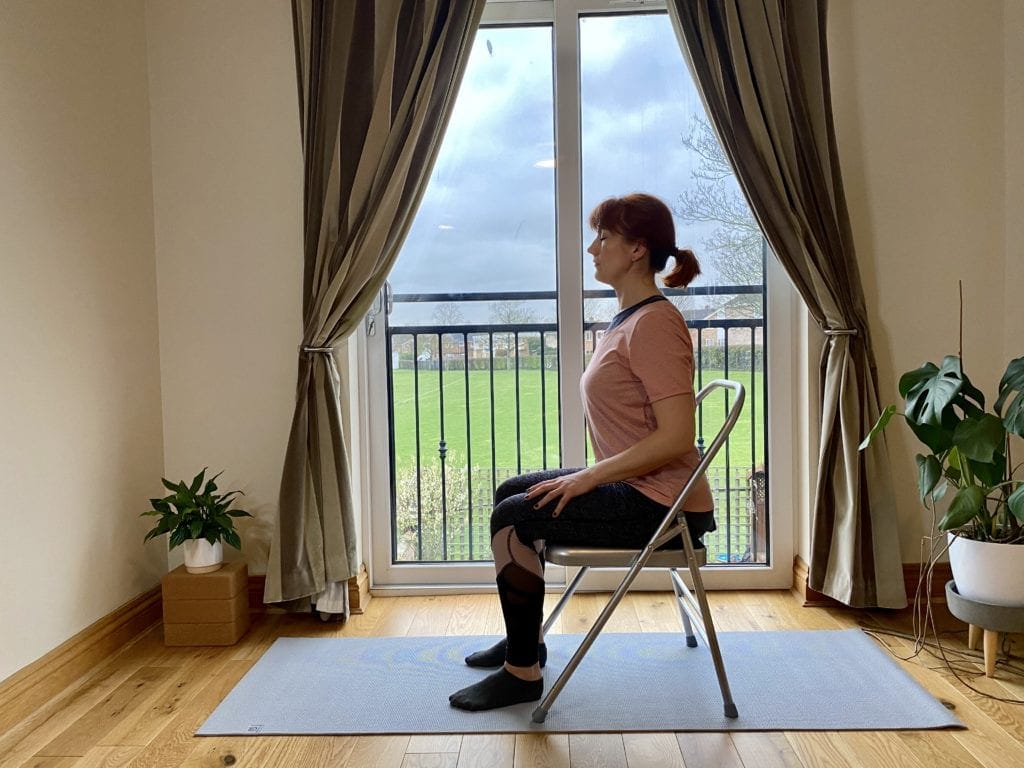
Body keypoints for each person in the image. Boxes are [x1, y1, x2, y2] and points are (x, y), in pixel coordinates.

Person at [448, 192, 716, 712]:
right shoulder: (628, 318)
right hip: (642, 489)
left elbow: (677, 437)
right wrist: (593, 476)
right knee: (511, 492)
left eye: (604, 237)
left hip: (665, 507)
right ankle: (526, 639)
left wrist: (589, 478)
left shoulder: (656, 325)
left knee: (514, 517)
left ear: (637, 249)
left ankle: (522, 673)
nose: (594, 248)